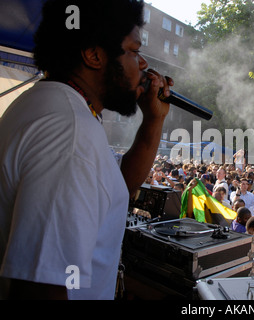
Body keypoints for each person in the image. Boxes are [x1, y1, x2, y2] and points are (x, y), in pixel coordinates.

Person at [0, 0, 173, 300]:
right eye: (134, 51)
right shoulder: (70, 133)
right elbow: (41, 287)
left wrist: (154, 120)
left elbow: (115, 184)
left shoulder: (54, 107)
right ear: (94, 55)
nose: (143, 64)